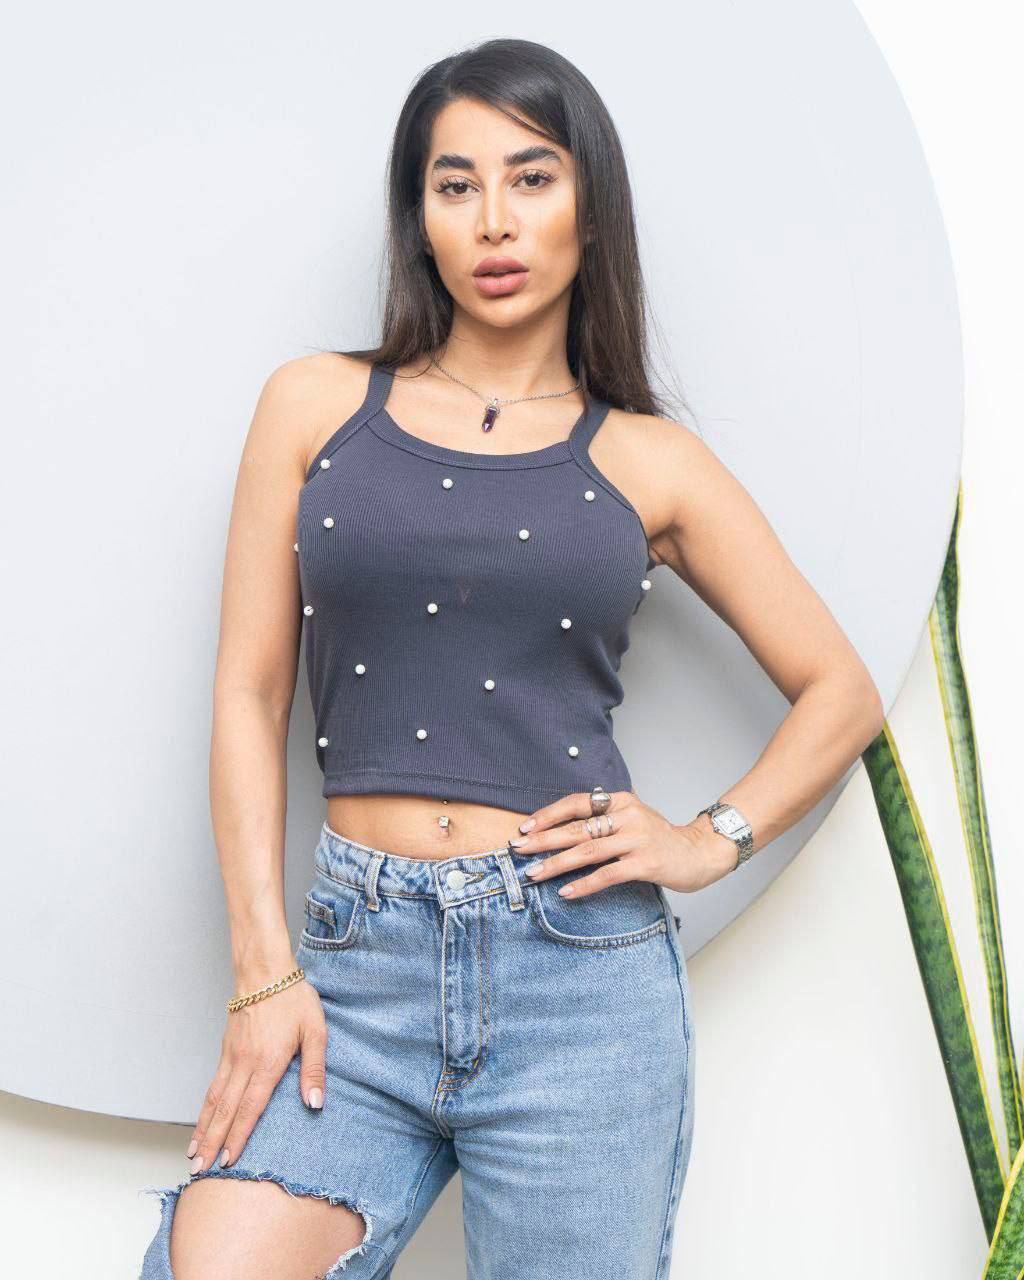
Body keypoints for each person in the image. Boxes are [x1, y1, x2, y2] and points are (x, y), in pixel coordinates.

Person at [139, 36, 884, 1280]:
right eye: (456, 183)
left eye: (532, 178)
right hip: (355, 970)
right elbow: (250, 690)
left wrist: (705, 839)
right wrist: (263, 968)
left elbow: (840, 689)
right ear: (419, 218)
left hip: (578, 983)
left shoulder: (650, 460)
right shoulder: (313, 404)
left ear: (590, 209)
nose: (493, 218)